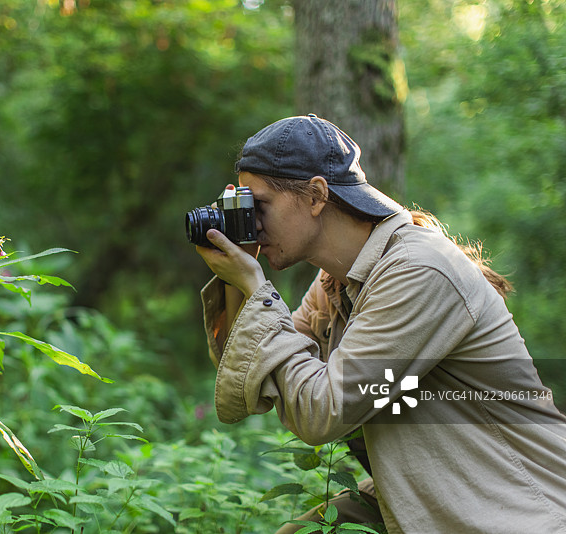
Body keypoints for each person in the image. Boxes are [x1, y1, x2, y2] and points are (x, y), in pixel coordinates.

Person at [194, 114, 566, 533]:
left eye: (258, 206)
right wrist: (240, 272)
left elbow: (321, 412)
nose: (252, 223)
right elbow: (252, 370)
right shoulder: (337, 281)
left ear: (316, 196)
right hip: (432, 496)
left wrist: (255, 285)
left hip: (514, 510)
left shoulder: (420, 271)